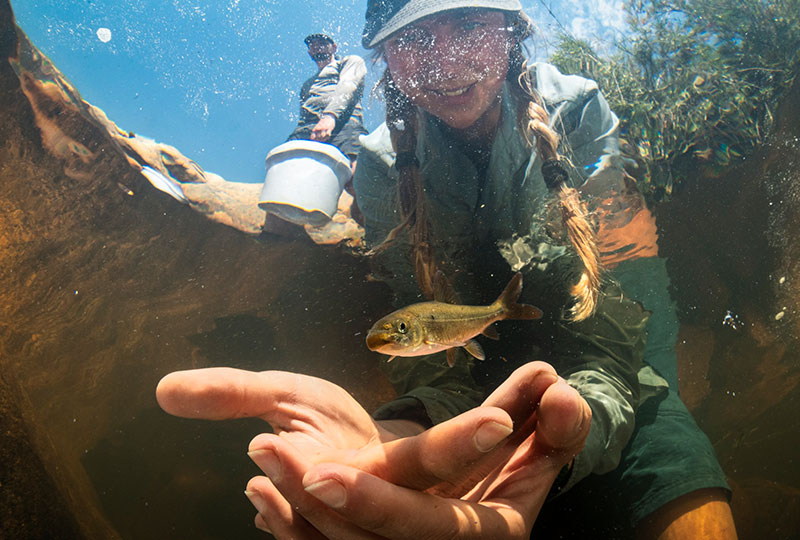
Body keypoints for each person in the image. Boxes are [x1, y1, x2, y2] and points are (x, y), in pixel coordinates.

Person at [158, 2, 737, 538]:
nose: (445, 61)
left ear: (511, 32)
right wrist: (408, 429)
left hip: (618, 383)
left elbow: (624, 301)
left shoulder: (575, 108)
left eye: (468, 25)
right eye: (412, 38)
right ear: (385, 58)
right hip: (474, 401)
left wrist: (586, 424)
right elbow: (429, 345)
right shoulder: (382, 166)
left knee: (677, 468)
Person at [287, 33, 368, 167]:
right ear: (309, 52)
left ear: (334, 47)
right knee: (285, 163)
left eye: (322, 43)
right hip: (308, 127)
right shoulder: (307, 84)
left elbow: (348, 85)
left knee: (355, 167)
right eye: (313, 45)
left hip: (344, 122)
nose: (317, 46)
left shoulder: (349, 62)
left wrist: (329, 116)